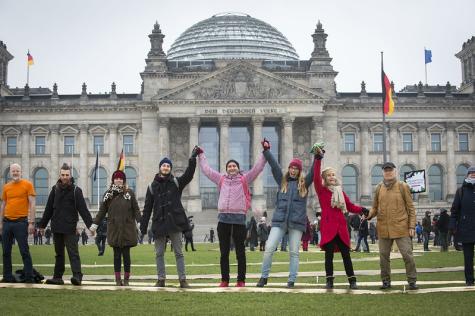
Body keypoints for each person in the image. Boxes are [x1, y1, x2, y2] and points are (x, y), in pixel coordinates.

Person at [197, 144, 266, 287]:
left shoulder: (244, 179)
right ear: (226, 169)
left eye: (234, 166)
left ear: (238, 168)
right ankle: (225, 280)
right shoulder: (221, 179)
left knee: (240, 252)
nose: (232, 168)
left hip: (239, 219)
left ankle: (241, 280)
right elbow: (206, 171)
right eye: (230, 166)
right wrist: (201, 154)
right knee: (224, 253)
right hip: (223, 219)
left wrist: (265, 153)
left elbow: (257, 169)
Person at [256, 139, 315, 288]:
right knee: (269, 248)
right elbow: (275, 167)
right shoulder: (283, 182)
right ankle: (264, 277)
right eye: (291, 168)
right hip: (280, 220)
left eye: (296, 168)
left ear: (299, 171)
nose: (293, 170)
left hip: (296, 222)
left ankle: (291, 279)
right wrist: (267, 150)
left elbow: (314, 173)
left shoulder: (304, 184)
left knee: (294, 252)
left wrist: (318, 158)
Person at [312, 144, 368, 290]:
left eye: (333, 175)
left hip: (341, 228)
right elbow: (315, 177)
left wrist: (362, 209)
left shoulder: (340, 191)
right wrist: (318, 158)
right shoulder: (321, 190)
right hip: (329, 227)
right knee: (328, 256)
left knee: (346, 255)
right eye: (329, 175)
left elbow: (350, 206)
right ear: (325, 178)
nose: (332, 177)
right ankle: (329, 280)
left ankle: (352, 280)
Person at [140, 150, 197, 289]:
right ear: (160, 167)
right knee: (159, 253)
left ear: (170, 169)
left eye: (168, 166)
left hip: (174, 223)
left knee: (179, 253)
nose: (165, 167)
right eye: (164, 165)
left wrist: (192, 159)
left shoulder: (176, 183)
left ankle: (183, 280)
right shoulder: (151, 186)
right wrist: (143, 227)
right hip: (159, 223)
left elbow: (189, 175)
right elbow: (147, 208)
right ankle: (161, 279)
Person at [38, 163, 93, 285]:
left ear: (70, 175)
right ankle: (57, 277)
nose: (64, 177)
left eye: (67, 175)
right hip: (56, 226)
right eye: (62, 175)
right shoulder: (54, 189)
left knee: (73, 253)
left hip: (70, 227)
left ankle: (77, 276)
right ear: (60, 175)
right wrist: (42, 225)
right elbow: (48, 209)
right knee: (59, 254)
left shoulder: (76, 191)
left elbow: (83, 210)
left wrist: (91, 226)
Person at [366, 162, 418, 290]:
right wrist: (368, 215)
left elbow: (410, 208)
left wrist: (411, 226)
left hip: (401, 227)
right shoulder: (378, 188)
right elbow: (374, 207)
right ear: (383, 172)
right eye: (385, 170)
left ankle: (412, 281)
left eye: (390, 170)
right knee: (383, 256)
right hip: (383, 227)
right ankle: (386, 281)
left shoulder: (403, 186)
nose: (388, 172)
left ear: (395, 171)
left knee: (407, 255)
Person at [90, 169, 141, 286]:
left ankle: (127, 279)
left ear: (124, 180)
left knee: (127, 256)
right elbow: (102, 211)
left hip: (127, 229)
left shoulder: (129, 193)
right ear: (113, 180)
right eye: (116, 178)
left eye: (120, 178)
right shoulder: (108, 195)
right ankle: (118, 279)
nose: (118, 180)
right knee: (116, 256)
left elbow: (136, 209)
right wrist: (94, 225)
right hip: (114, 229)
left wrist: (139, 222)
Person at [0, 163, 36, 283]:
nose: (15, 173)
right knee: (5, 251)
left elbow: (32, 204)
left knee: (24, 250)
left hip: (21, 222)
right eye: (13, 171)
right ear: (10, 172)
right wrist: (1, 223)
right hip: (7, 222)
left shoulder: (28, 185)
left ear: (21, 172)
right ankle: (7, 276)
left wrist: (31, 222)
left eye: (17, 171)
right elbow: (3, 205)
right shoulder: (6, 187)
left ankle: (29, 276)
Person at [449, 165, 475, 286]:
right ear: (467, 175)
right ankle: (469, 280)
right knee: (468, 258)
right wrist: (453, 227)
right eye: (471, 173)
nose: (473, 174)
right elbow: (454, 211)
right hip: (466, 229)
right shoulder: (461, 191)